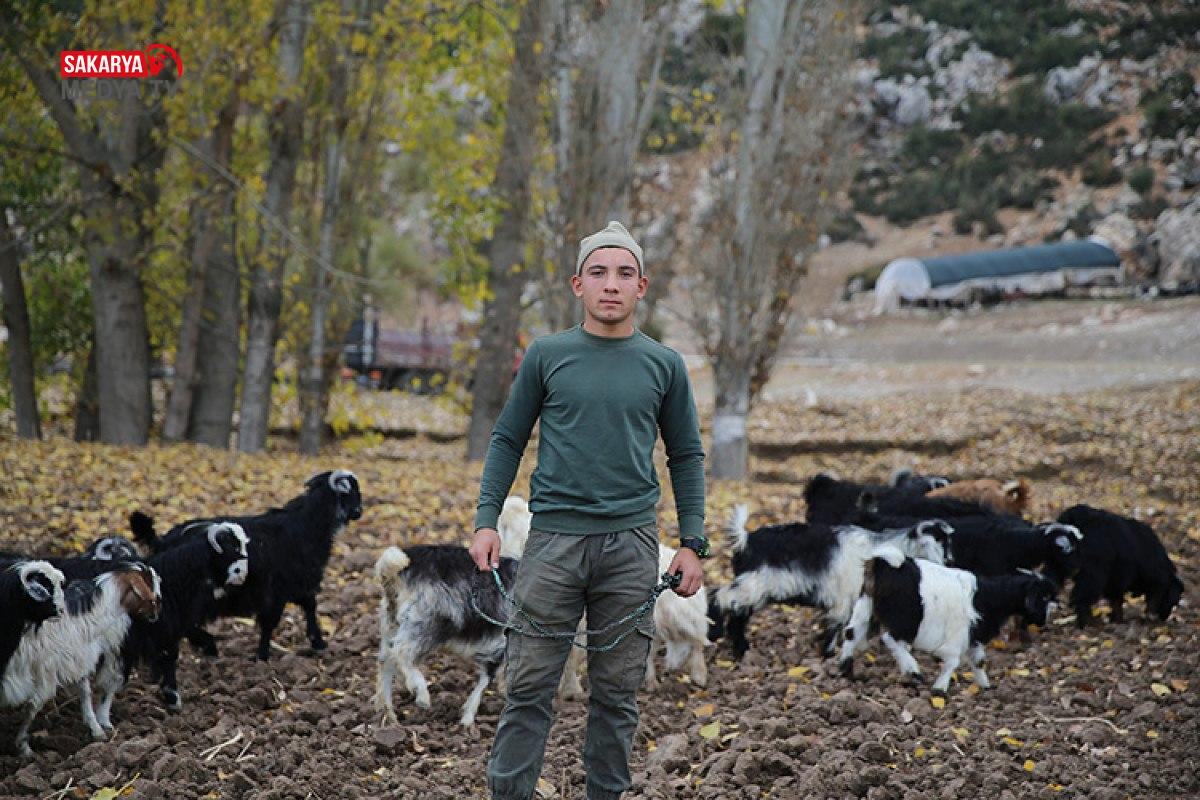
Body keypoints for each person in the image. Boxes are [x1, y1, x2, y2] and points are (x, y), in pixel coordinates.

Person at [470, 220, 708, 800]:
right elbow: (507, 439)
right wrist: (485, 520)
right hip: (553, 544)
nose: (611, 284)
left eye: (624, 274)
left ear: (641, 286)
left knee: (617, 694)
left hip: (631, 547)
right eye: (598, 273)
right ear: (578, 284)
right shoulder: (547, 356)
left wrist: (691, 541)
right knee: (528, 688)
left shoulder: (663, 365)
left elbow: (686, 454)